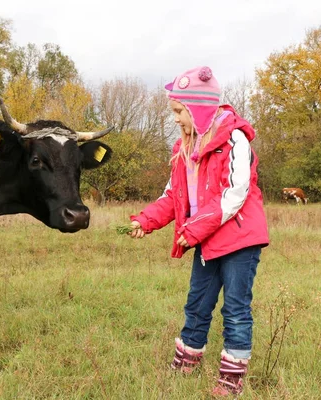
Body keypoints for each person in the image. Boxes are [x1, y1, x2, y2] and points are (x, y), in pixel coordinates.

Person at [128, 66, 269, 396]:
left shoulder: (234, 139)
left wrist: (193, 228)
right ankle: (186, 363)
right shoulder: (183, 151)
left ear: (199, 107)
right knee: (197, 303)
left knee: (235, 309)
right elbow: (172, 196)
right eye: (174, 112)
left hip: (238, 239)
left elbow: (235, 193)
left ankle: (231, 378)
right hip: (205, 238)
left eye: (179, 111)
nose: (176, 119)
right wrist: (144, 221)